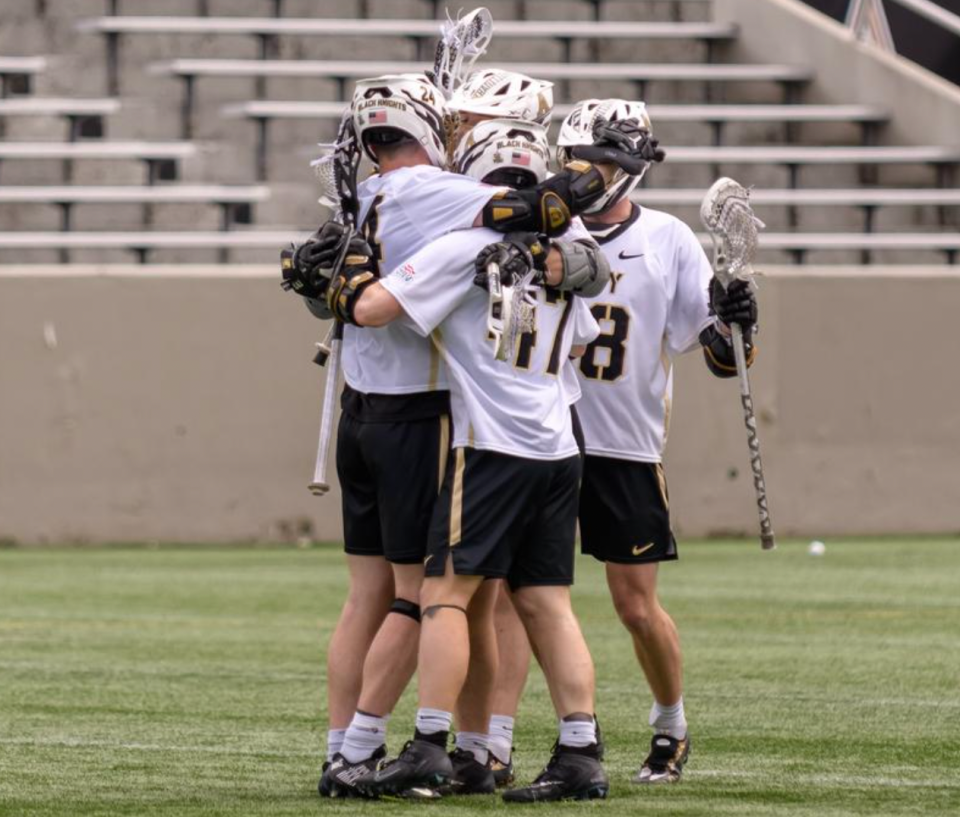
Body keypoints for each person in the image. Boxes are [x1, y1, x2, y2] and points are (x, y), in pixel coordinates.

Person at [281, 74, 639, 798]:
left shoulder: (455, 240)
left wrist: (330, 279)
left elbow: (373, 305)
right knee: (540, 602)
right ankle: (575, 749)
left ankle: (417, 743)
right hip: (556, 443)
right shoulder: (560, 249)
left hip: (473, 438)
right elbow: (584, 300)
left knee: (433, 598)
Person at [485, 98, 760, 785]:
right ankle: (494, 740)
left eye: (602, 163)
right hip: (543, 436)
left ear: (631, 167)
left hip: (624, 443)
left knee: (635, 605)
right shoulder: (544, 230)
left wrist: (737, 322)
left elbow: (722, 357)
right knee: (521, 594)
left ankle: (672, 722)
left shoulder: (666, 239)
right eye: (578, 161)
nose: (588, 175)